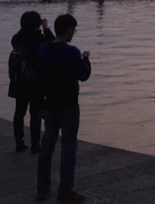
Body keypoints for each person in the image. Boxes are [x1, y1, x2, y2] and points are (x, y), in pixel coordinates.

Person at [36, 14, 92, 204]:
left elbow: (38, 76)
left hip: (49, 104)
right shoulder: (70, 51)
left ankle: (42, 189)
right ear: (68, 29)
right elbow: (83, 75)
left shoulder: (42, 49)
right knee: (68, 147)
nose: (73, 34)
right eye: (73, 30)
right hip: (68, 105)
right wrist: (85, 60)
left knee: (47, 147)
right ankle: (65, 192)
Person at [9, 11, 54, 153]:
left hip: (19, 81)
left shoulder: (16, 38)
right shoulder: (38, 38)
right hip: (35, 82)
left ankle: (19, 142)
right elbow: (53, 44)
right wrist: (46, 28)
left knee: (19, 112)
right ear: (37, 23)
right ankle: (35, 144)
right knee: (35, 114)